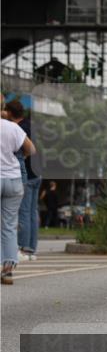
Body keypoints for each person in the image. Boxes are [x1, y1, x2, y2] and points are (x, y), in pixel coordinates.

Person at [5, 101, 41, 261]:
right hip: (38, 173)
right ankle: (32, 248)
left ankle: (23, 247)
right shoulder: (31, 125)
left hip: (25, 174)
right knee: (33, 211)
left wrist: (22, 157)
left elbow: (29, 150)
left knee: (24, 212)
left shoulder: (18, 128)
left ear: (10, 113)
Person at [2, 115, 36, 284]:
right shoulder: (13, 128)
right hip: (14, 180)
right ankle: (7, 271)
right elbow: (31, 149)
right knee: (9, 225)